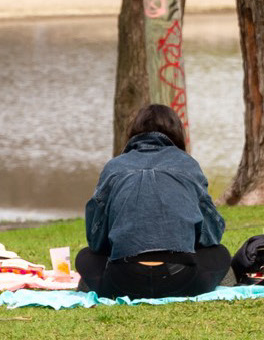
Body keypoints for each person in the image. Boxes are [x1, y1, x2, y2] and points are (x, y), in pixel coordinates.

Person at [77, 104, 230, 299]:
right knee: (221, 253)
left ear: (133, 132)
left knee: (85, 256)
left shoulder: (114, 167)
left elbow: (95, 241)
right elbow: (212, 234)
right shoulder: (187, 164)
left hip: (122, 281)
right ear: (177, 133)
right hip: (182, 280)